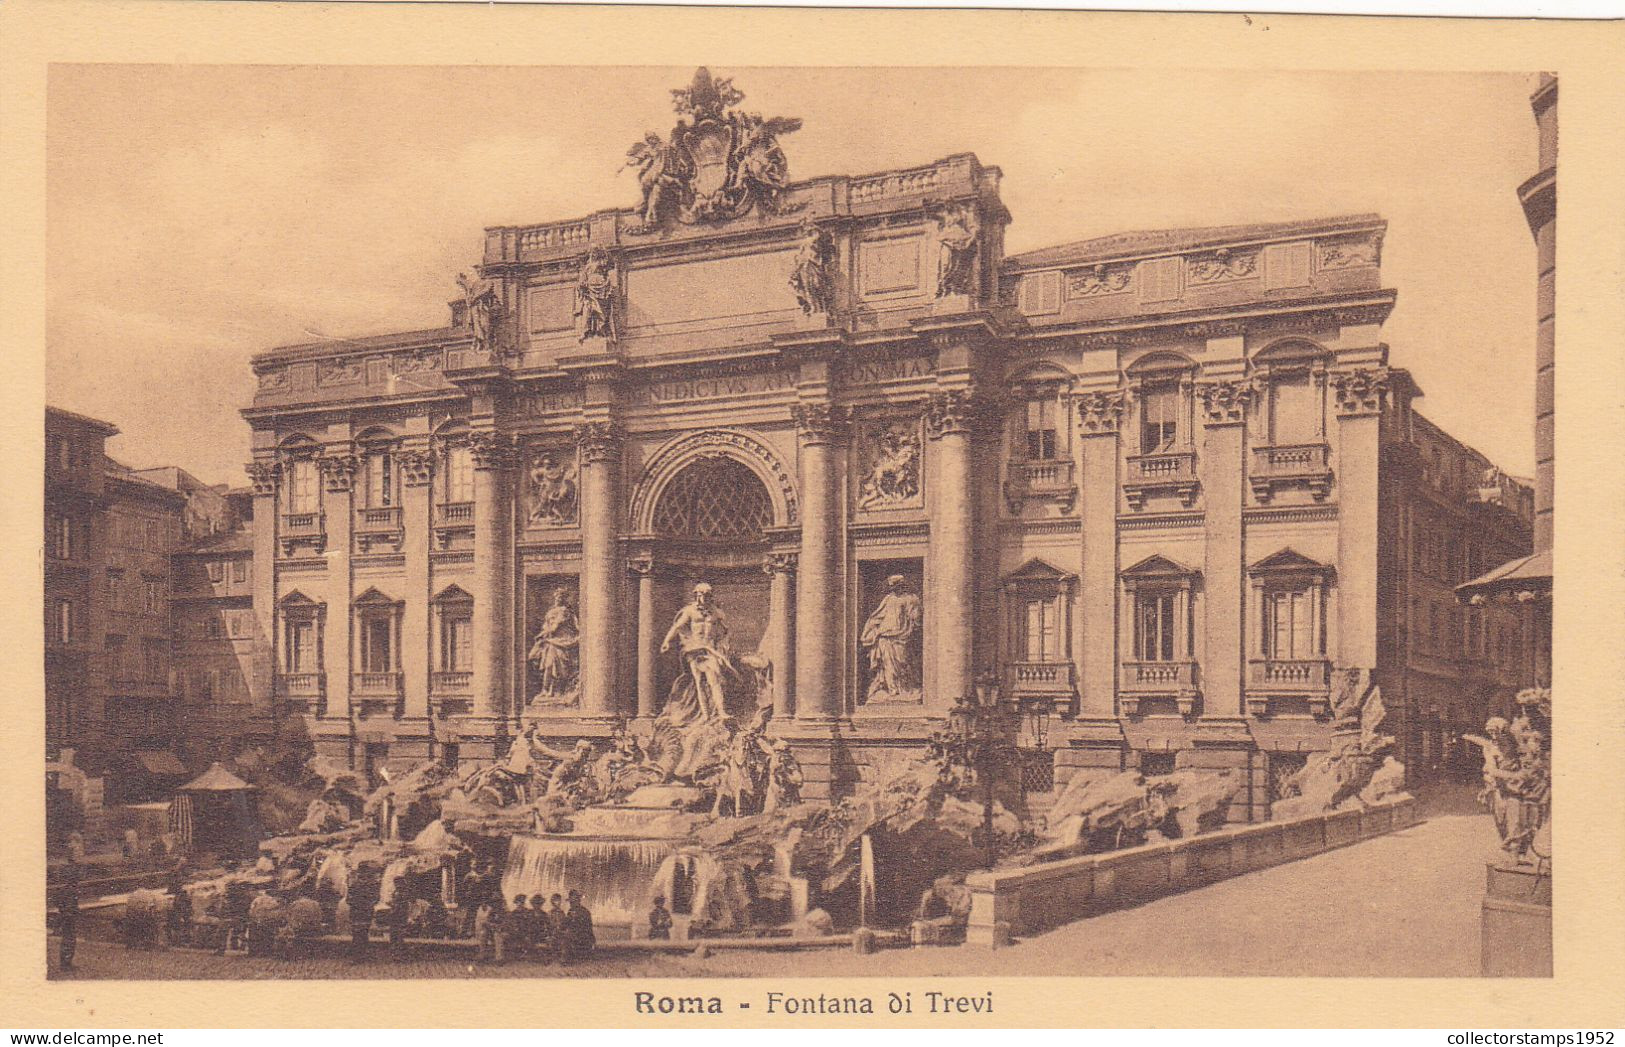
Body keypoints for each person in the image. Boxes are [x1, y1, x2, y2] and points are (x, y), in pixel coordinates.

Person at [661, 582, 737, 722]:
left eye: (706, 595)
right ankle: (706, 715)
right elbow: (677, 627)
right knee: (699, 682)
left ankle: (721, 711)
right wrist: (667, 641)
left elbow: (726, 631)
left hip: (710, 650)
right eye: (700, 594)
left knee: (714, 679)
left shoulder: (716, 612)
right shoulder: (690, 611)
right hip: (694, 649)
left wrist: (724, 644)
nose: (703, 598)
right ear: (696, 595)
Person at [860, 574, 923, 701]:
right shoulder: (888, 599)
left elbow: (916, 618)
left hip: (902, 636)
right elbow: (877, 615)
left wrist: (913, 625)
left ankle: (905, 690)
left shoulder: (912, 598)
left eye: (895, 586)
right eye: (892, 587)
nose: (893, 589)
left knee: (903, 662)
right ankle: (892, 690)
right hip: (885, 636)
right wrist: (871, 630)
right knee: (887, 665)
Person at [348, 870, 380, 963]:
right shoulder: (371, 886)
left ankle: (359, 955)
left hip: (359, 913)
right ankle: (360, 955)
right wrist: (368, 905)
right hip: (363, 913)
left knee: (359, 934)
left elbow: (348, 900)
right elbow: (376, 899)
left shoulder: (354, 886)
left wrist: (358, 905)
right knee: (361, 934)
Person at [54, 861, 81, 971]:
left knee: (67, 940)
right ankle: (65, 964)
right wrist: (72, 912)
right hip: (68, 918)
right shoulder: (71, 891)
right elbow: (70, 905)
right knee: (69, 940)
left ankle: (65, 963)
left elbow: (59, 903)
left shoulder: (65, 889)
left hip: (65, 916)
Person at [561, 889, 595, 966]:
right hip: (575, 934)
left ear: (578, 901)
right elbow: (566, 924)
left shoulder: (584, 912)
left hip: (583, 935)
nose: (572, 903)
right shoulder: (570, 911)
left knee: (568, 936)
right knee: (565, 934)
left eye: (574, 901)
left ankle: (566, 959)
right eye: (571, 902)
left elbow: (588, 927)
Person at [164, 860, 192, 949]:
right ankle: (176, 940)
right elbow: (176, 887)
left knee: (175, 920)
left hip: (177, 899)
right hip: (176, 900)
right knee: (175, 920)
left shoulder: (177, 873)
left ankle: (176, 939)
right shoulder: (175, 873)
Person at [546, 894, 567, 963]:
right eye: (555, 901)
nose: (557, 902)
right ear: (552, 902)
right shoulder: (550, 913)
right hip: (552, 932)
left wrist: (562, 928)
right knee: (550, 940)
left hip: (561, 932)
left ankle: (562, 958)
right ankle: (550, 957)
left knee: (563, 940)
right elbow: (548, 924)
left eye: (559, 900)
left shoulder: (562, 913)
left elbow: (565, 923)